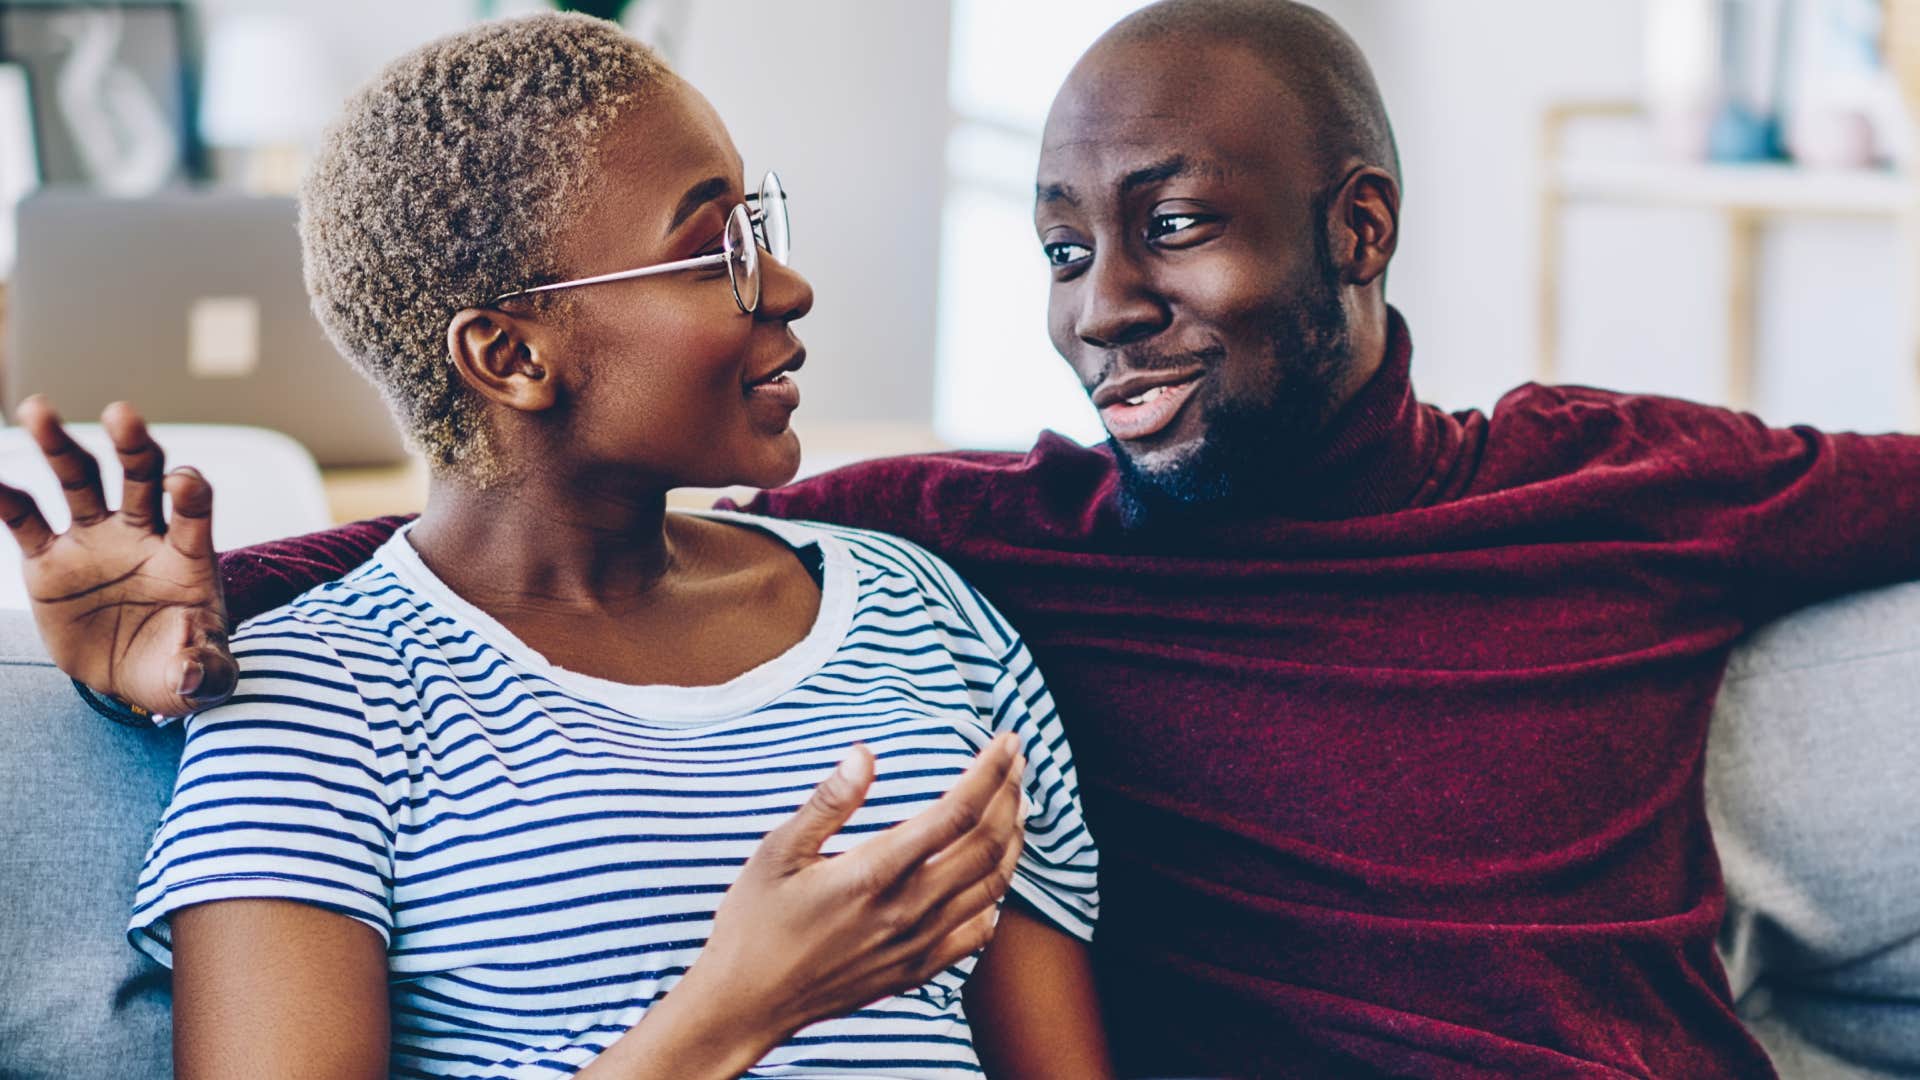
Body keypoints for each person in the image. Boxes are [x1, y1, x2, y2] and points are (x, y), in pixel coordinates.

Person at [7, 0, 1918, 1076]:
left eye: (1173, 227)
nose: (1102, 311)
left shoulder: (930, 606)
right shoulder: (995, 537)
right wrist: (214, 597)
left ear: (1358, 227)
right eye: (1068, 251)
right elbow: (496, 548)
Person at [0, 14, 1109, 1080]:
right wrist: (738, 1008)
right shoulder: (315, 702)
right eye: (712, 249)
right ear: (511, 354)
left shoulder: (926, 610)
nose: (787, 284)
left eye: (758, 228)